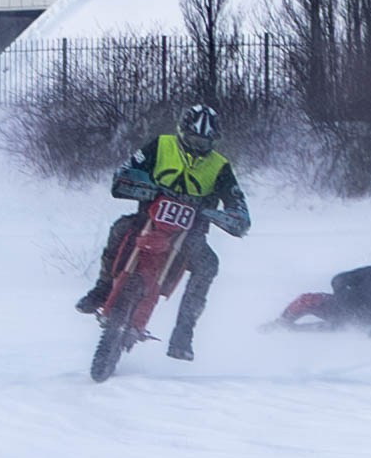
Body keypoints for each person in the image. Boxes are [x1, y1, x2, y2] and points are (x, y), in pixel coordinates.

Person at [76, 103, 251, 360]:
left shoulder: (220, 167)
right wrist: (139, 185)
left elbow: (239, 206)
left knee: (209, 264)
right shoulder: (160, 146)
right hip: (148, 218)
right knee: (119, 229)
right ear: (181, 132)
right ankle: (102, 287)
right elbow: (124, 172)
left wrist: (228, 216)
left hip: (190, 233)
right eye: (193, 139)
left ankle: (184, 333)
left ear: (214, 141)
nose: (197, 146)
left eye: (204, 143)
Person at [274, 254, 371, 336]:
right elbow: (340, 279)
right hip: (340, 305)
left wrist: (357, 315)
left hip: (360, 322)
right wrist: (344, 294)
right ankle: (281, 323)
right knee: (307, 299)